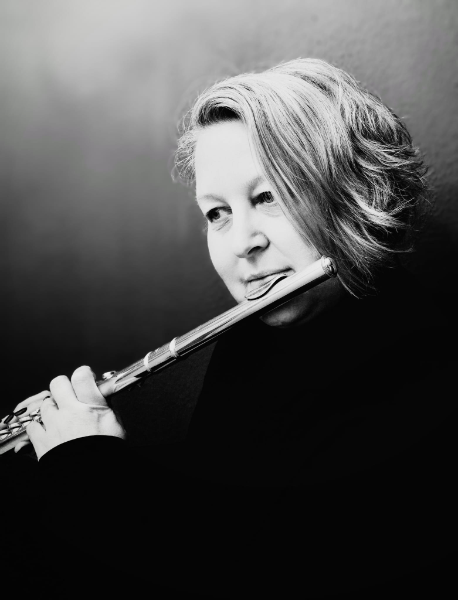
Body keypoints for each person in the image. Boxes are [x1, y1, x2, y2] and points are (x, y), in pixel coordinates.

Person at [2, 58, 456, 598]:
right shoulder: (256, 341)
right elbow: (227, 507)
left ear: (356, 193)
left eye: (267, 197)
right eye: (217, 213)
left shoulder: (422, 378)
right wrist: (86, 433)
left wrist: (90, 474)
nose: (243, 243)